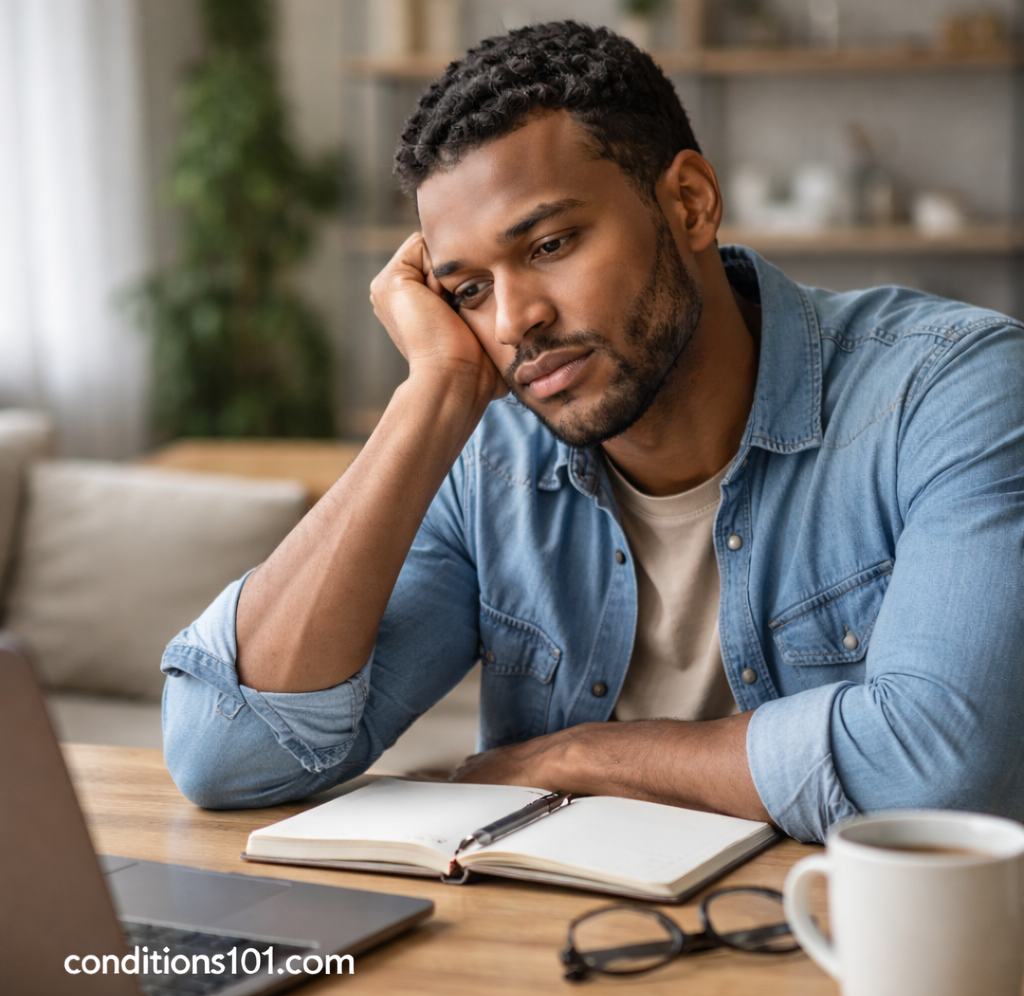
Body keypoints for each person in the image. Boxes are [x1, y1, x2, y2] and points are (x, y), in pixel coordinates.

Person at [161, 21, 1024, 843]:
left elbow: (935, 768)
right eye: (467, 290)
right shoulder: (490, 465)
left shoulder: (952, 390)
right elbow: (226, 755)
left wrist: (575, 757)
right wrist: (432, 393)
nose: (513, 322)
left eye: (549, 244)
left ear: (689, 202)